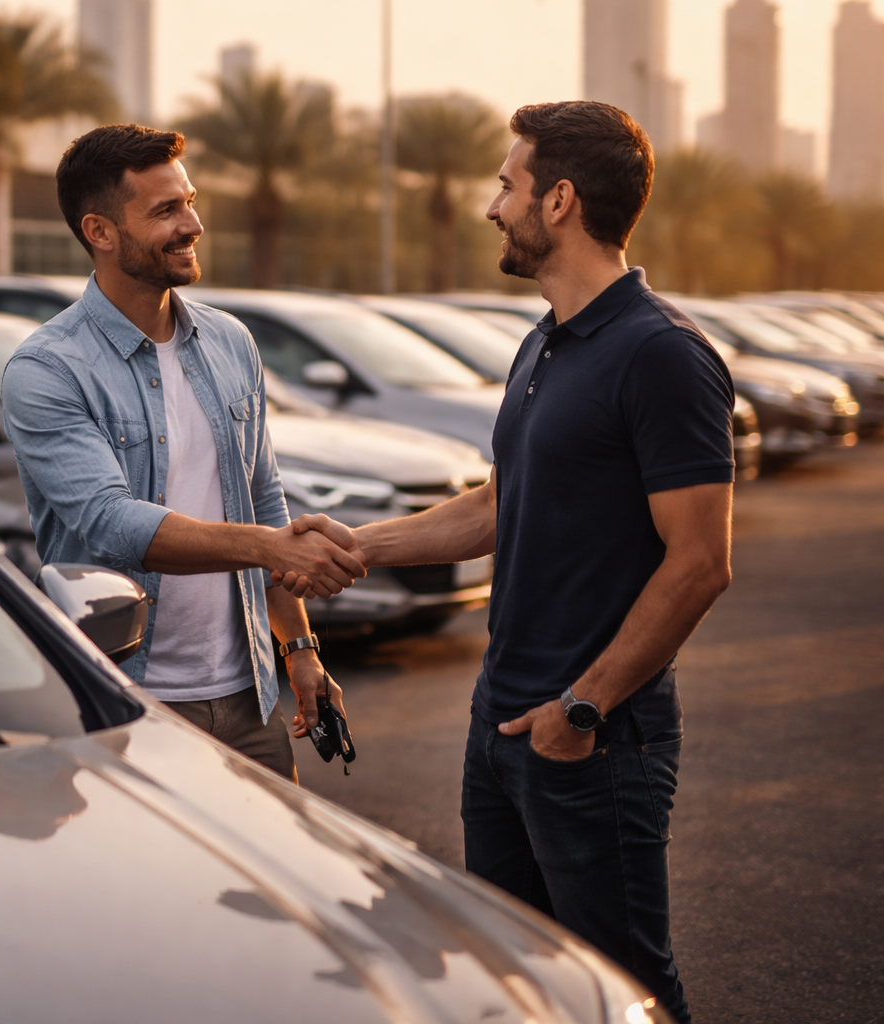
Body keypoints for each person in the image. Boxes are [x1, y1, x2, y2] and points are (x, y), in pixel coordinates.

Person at [284, 102, 732, 1022]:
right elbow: (499, 503)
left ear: (559, 200)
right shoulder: (543, 341)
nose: (493, 205)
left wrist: (582, 708)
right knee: (516, 981)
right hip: (502, 727)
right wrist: (356, 545)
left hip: (592, 739)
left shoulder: (662, 355)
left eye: (507, 184)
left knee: (625, 990)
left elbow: (700, 564)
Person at [0, 124, 364, 781]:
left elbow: (263, 500)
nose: (192, 224)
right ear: (100, 232)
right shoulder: (49, 368)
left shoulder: (230, 343)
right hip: (128, 705)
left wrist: (300, 650)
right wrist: (270, 546)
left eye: (190, 202)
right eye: (166, 210)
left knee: (269, 882)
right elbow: (111, 524)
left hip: (250, 700)